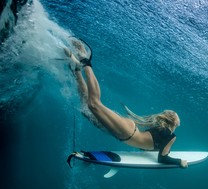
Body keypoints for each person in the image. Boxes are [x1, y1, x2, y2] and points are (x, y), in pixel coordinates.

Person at [64, 39, 188, 168]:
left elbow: (148, 145)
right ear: (174, 122)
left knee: (87, 110)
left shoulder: (162, 130)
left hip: (125, 132)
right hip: (127, 133)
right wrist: (180, 162)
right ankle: (85, 60)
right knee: (93, 104)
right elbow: (162, 159)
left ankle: (76, 70)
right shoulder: (170, 136)